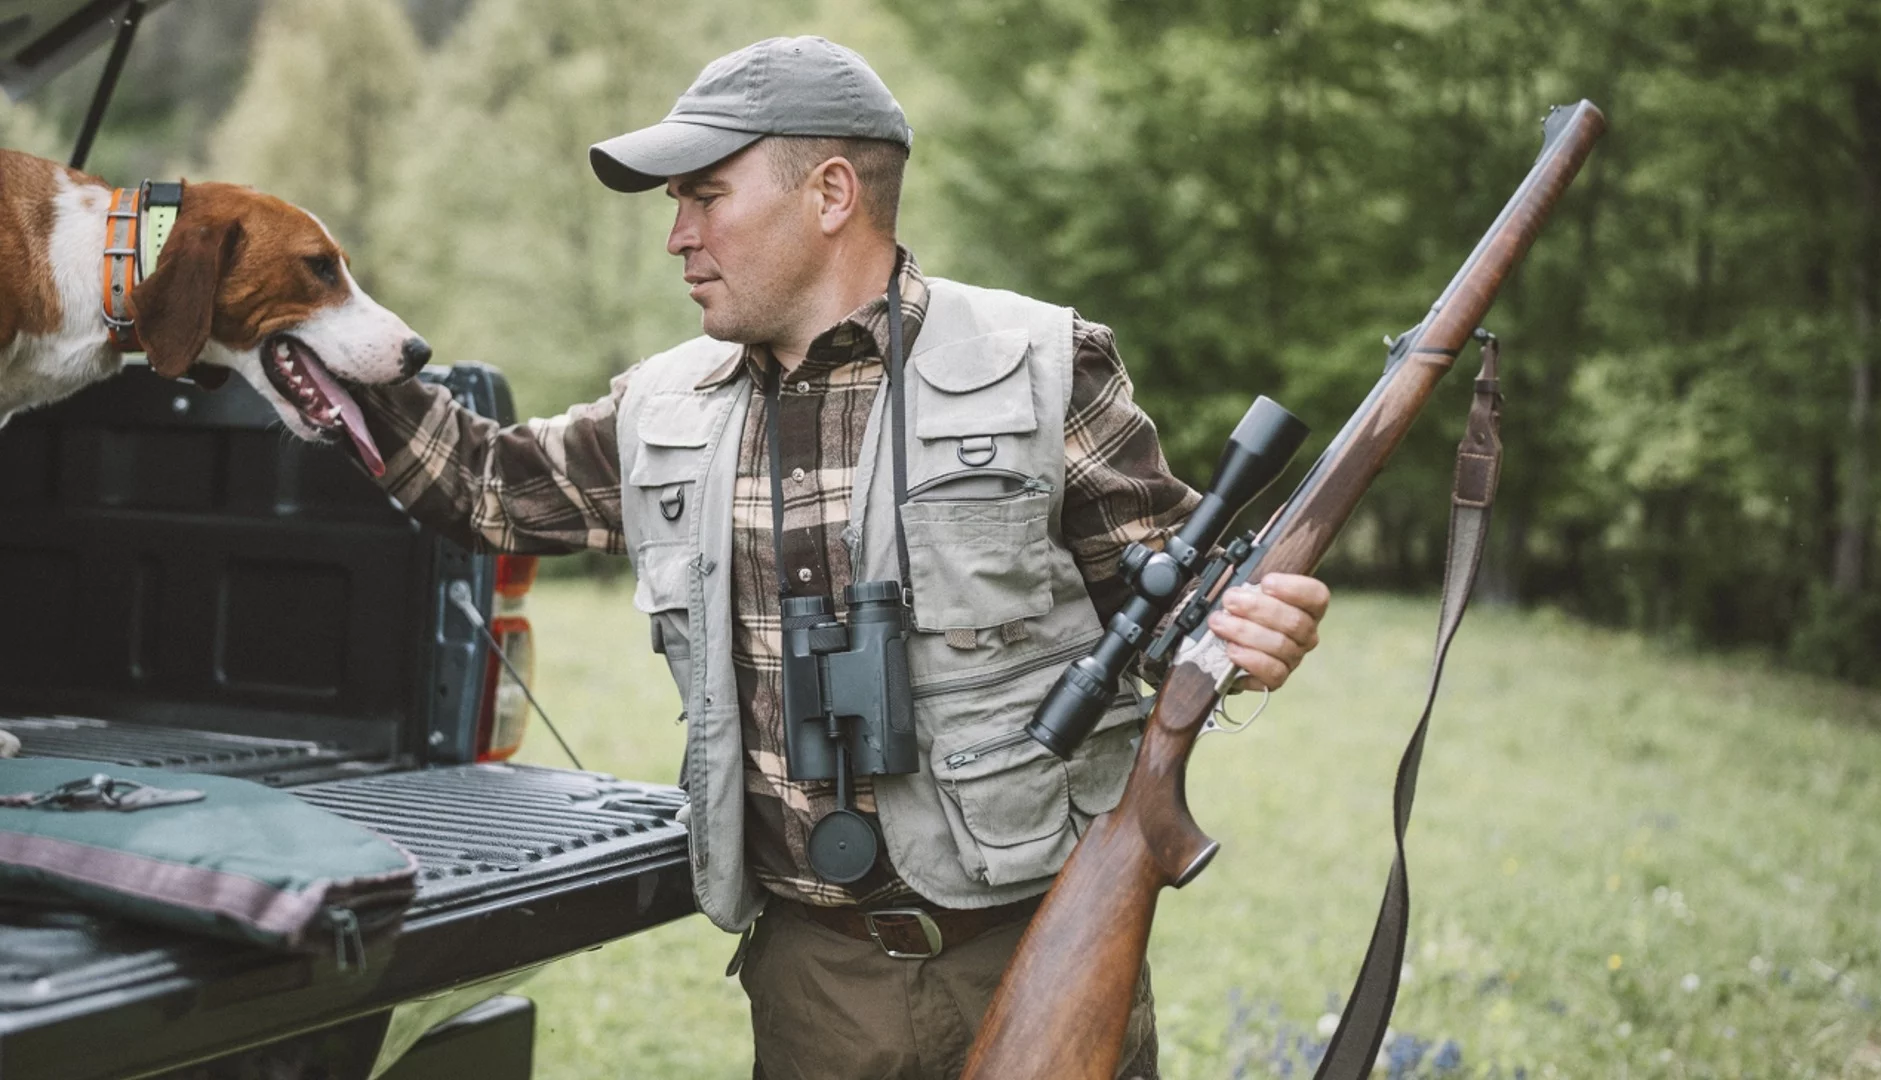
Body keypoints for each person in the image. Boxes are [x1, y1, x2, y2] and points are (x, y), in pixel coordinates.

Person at [352, 36, 1330, 1080]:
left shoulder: (1045, 368)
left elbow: (1173, 614)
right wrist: (316, 325)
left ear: (829, 194)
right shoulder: (661, 410)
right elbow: (478, 484)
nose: (677, 236)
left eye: (705, 196)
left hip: (1040, 953)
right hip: (811, 986)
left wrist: (1248, 626)